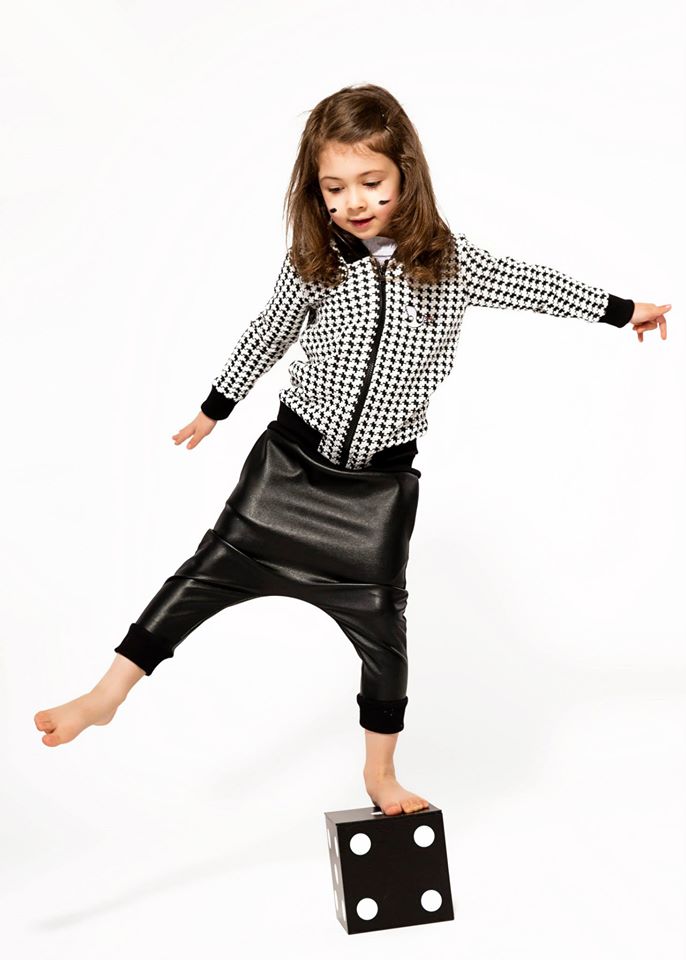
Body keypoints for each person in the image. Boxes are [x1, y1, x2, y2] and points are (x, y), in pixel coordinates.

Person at [33, 83, 670, 817]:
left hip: (376, 492)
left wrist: (624, 311)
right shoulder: (316, 260)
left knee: (382, 630)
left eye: (371, 183)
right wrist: (216, 406)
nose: (354, 202)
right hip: (289, 469)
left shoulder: (449, 262)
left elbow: (536, 285)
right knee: (204, 573)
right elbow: (269, 330)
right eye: (334, 189)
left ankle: (380, 773)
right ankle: (106, 695)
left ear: (406, 175)